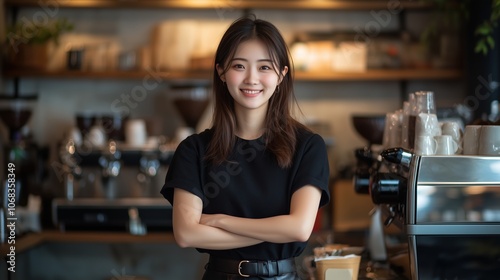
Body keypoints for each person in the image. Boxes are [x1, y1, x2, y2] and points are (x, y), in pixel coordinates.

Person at [161, 15, 330, 280]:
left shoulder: (308, 147)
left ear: (281, 75)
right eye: (239, 66)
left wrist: (219, 221)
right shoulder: (193, 150)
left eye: (264, 67)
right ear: (221, 71)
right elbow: (186, 234)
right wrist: (274, 231)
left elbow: (299, 229)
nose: (251, 79)